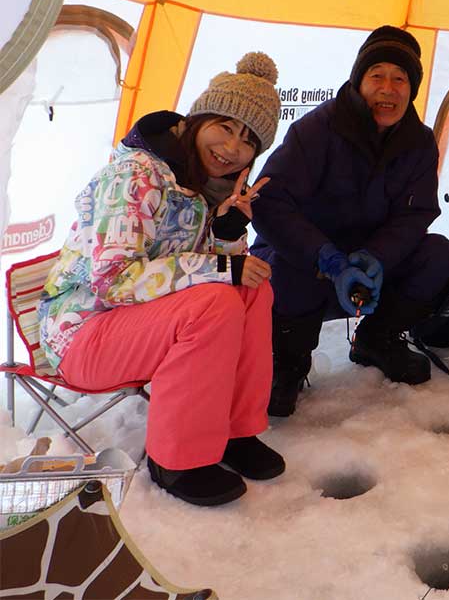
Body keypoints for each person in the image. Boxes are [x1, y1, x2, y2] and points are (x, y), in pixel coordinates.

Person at [39, 52, 285, 507]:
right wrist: (220, 269)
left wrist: (228, 235)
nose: (232, 149)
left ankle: (233, 430)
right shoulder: (134, 177)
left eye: (249, 141)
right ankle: (176, 460)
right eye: (225, 127)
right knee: (218, 299)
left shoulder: (201, 184)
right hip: (83, 333)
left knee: (251, 291)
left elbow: (199, 272)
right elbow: (113, 280)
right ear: (198, 118)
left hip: (139, 323)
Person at [251, 26, 449, 417]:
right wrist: (327, 257)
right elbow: (270, 199)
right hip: (310, 266)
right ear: (358, 80)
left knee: (437, 254)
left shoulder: (419, 142)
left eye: (400, 79)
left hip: (368, 270)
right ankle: (287, 363)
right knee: (283, 261)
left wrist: (375, 256)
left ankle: (376, 339)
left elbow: (416, 213)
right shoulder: (316, 129)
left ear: (411, 89)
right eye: (377, 75)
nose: (388, 88)